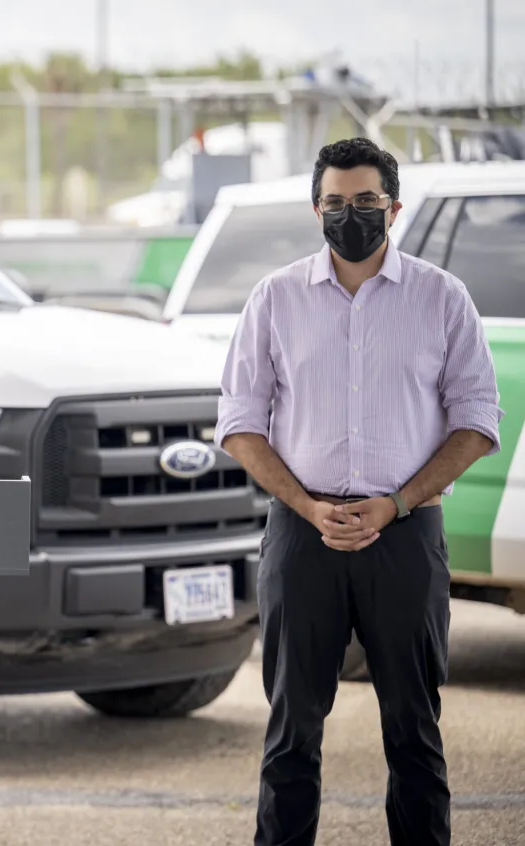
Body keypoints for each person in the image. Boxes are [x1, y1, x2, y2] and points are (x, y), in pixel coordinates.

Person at [215, 137, 502, 846]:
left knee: (414, 731)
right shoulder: (275, 298)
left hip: (405, 537)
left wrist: (397, 503)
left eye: (366, 202)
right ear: (316, 209)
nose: (351, 215)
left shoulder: (442, 298)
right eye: (336, 203)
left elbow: (477, 421)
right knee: (289, 734)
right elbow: (241, 424)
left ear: (394, 208)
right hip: (301, 534)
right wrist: (309, 506)